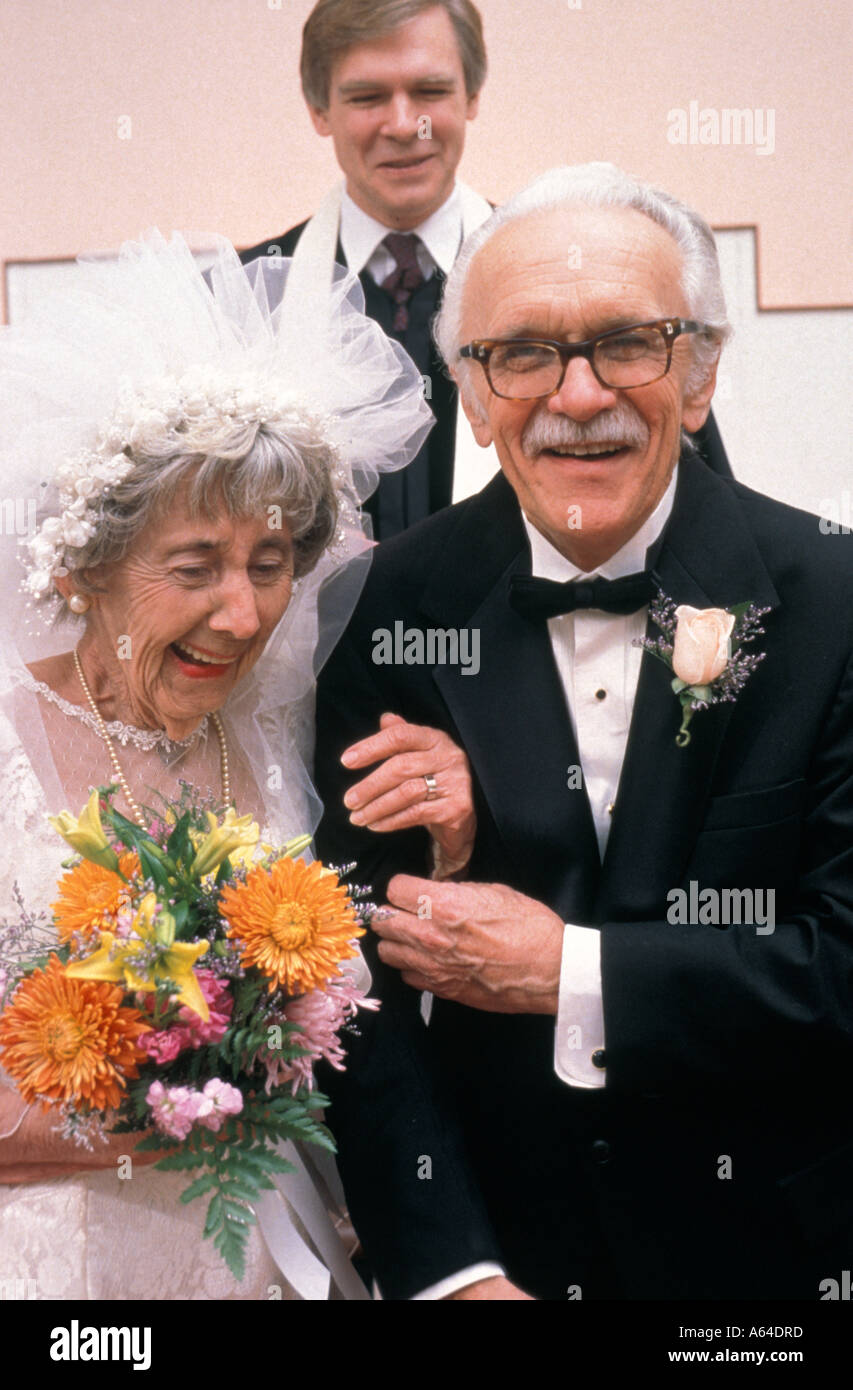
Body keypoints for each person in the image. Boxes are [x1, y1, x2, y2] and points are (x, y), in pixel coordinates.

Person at [312, 163, 853, 1300]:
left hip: (776, 1259)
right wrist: (452, 1268)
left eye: (627, 341)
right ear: (471, 386)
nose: (575, 394)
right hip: (501, 1247)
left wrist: (569, 969)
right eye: (523, 352)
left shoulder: (834, 597)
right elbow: (343, 973)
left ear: (699, 372)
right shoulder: (385, 606)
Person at [0, 231, 432, 1299]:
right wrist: (152, 1096)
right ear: (86, 566)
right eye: (194, 567)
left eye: (272, 564)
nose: (242, 614)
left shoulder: (286, 731)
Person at [242, 0, 733, 543]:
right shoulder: (249, 299)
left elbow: (698, 501)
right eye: (367, 97)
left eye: (430, 92)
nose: (405, 125)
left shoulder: (577, 275)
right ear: (318, 109)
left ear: (472, 95)